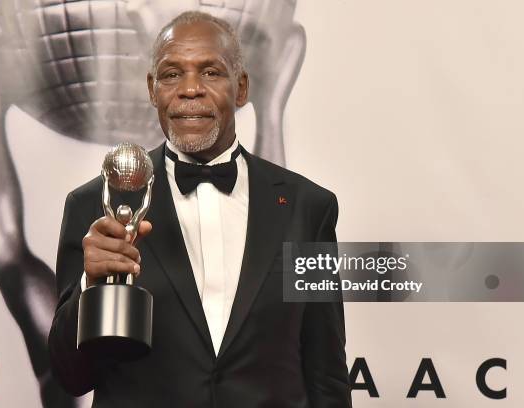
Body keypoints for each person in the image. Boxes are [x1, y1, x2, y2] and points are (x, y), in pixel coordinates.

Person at [49, 11, 351, 408]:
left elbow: (326, 373)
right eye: (172, 74)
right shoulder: (96, 206)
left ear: (241, 88)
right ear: (152, 89)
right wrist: (91, 286)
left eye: (211, 72)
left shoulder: (306, 209)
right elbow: (71, 378)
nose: (190, 89)